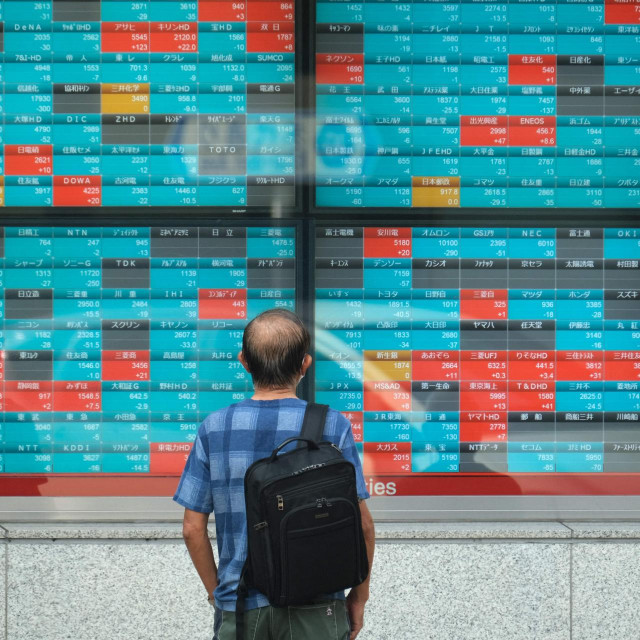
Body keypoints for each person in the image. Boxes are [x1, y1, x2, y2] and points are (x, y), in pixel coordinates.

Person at [174, 308, 375, 640]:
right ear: (305, 365)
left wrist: (217, 595)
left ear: (244, 361)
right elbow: (363, 525)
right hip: (318, 605)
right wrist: (359, 597)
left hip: (240, 608)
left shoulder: (214, 428)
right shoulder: (332, 425)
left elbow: (192, 529)